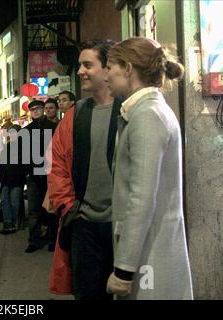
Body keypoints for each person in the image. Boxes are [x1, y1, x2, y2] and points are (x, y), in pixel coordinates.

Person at [105, 37, 193, 299]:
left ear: (128, 68)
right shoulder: (145, 111)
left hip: (149, 254)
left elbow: (141, 198)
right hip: (150, 248)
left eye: (110, 66)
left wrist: (123, 270)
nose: (107, 74)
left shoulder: (146, 116)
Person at [48, 39, 121, 300]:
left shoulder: (129, 110)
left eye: (87, 65)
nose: (80, 71)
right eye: (80, 65)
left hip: (122, 228)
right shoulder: (75, 115)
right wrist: (69, 208)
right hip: (84, 226)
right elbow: (57, 165)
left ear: (108, 68)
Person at [23, 100, 58, 253]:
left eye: (38, 109)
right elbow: (22, 155)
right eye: (33, 109)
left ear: (43, 110)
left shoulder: (53, 128)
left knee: (51, 210)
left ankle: (52, 239)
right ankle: (34, 240)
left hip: (50, 174)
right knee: (34, 210)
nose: (35, 111)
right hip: (34, 176)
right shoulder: (26, 131)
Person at [0, 124, 26, 234]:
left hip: (17, 180)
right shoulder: (7, 147)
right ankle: (8, 222)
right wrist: (1, 173)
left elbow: (25, 165)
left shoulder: (24, 147)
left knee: (14, 202)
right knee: (5, 201)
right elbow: (1, 163)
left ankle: (12, 223)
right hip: (5, 180)